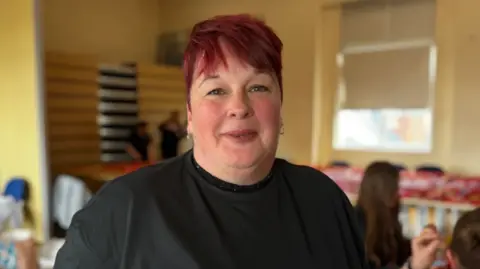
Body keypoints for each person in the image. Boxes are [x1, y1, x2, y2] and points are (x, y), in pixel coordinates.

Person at [53, 14, 369, 269]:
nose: (239, 107)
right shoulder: (119, 212)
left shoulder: (325, 201)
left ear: (279, 107)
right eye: (216, 90)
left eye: (258, 87)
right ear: (189, 115)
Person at [355, 161, 412, 268]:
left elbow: (400, 253)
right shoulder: (355, 222)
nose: (398, 195)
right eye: (396, 188)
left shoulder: (389, 217)